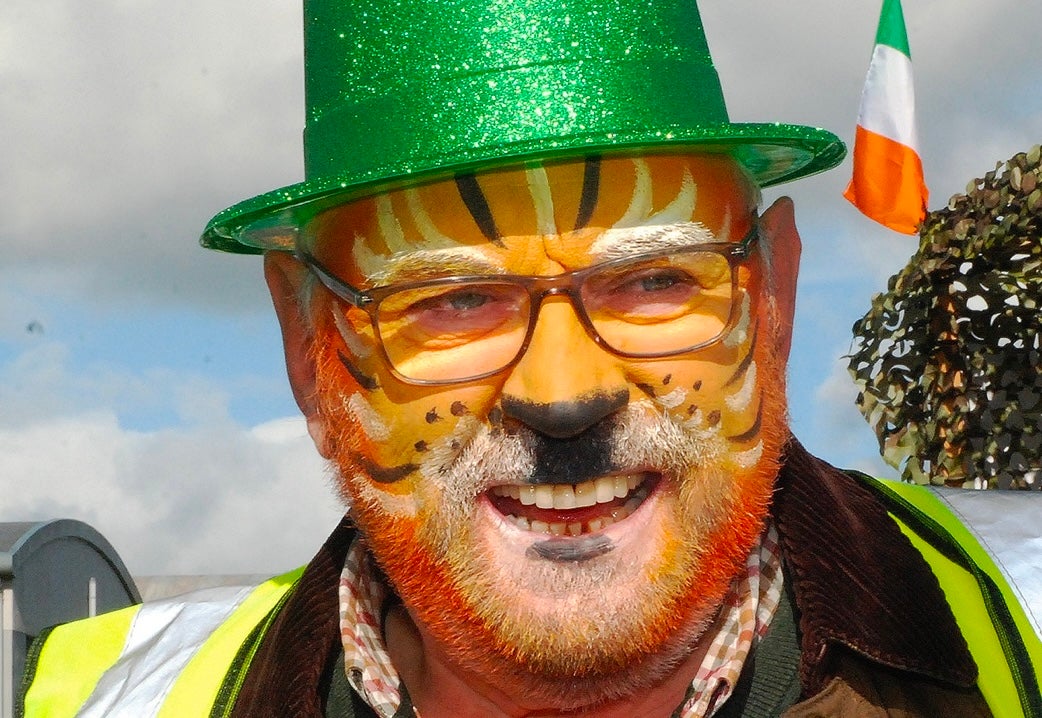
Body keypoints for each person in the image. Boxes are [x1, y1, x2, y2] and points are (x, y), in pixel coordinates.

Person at [20, 1, 1041, 716]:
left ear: (770, 298)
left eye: (652, 279)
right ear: (307, 346)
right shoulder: (129, 700)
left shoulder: (1019, 622)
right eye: (453, 299)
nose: (562, 395)